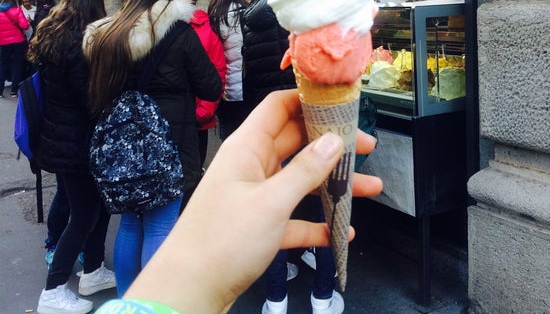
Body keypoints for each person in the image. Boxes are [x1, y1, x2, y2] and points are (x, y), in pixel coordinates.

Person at [94, 89, 383, 314]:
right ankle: (322, 296)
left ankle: (276, 300)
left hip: (242, 127)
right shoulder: (186, 33)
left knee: (270, 218)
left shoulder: (108, 36)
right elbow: (208, 80)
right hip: (193, 138)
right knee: (317, 213)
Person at [84, 0, 222, 296]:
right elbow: (211, 87)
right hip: (170, 140)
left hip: (121, 143)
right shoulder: (178, 29)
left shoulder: (106, 34)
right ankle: (156, 301)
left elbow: (95, 94)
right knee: (161, 225)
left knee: (130, 223)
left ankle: (128, 300)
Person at [242, 0, 342, 314]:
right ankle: (323, 299)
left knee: (275, 215)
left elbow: (250, 83)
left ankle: (276, 301)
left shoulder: (251, 23)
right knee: (324, 213)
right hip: (311, 130)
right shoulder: (312, 24)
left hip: (271, 133)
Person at [30, 0, 115, 314]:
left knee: (94, 208)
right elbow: (88, 100)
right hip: (76, 144)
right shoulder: (78, 46)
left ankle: (93, 270)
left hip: (60, 141)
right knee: (83, 216)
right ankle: (52, 291)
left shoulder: (51, 37)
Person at [170, 0, 226, 180]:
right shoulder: (163, 26)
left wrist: (202, 112)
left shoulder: (205, 31)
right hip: (170, 118)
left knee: (190, 178)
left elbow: (217, 72)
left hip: (196, 120)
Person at [208, 0, 253, 139]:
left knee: (228, 138)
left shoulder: (214, 14)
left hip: (224, 92)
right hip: (243, 89)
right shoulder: (244, 15)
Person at [0, 0, 30, 97]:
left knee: (3, 65)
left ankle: (0, 91)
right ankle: (13, 91)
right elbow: (24, 26)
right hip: (18, 42)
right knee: (17, 65)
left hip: (3, 43)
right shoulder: (17, 10)